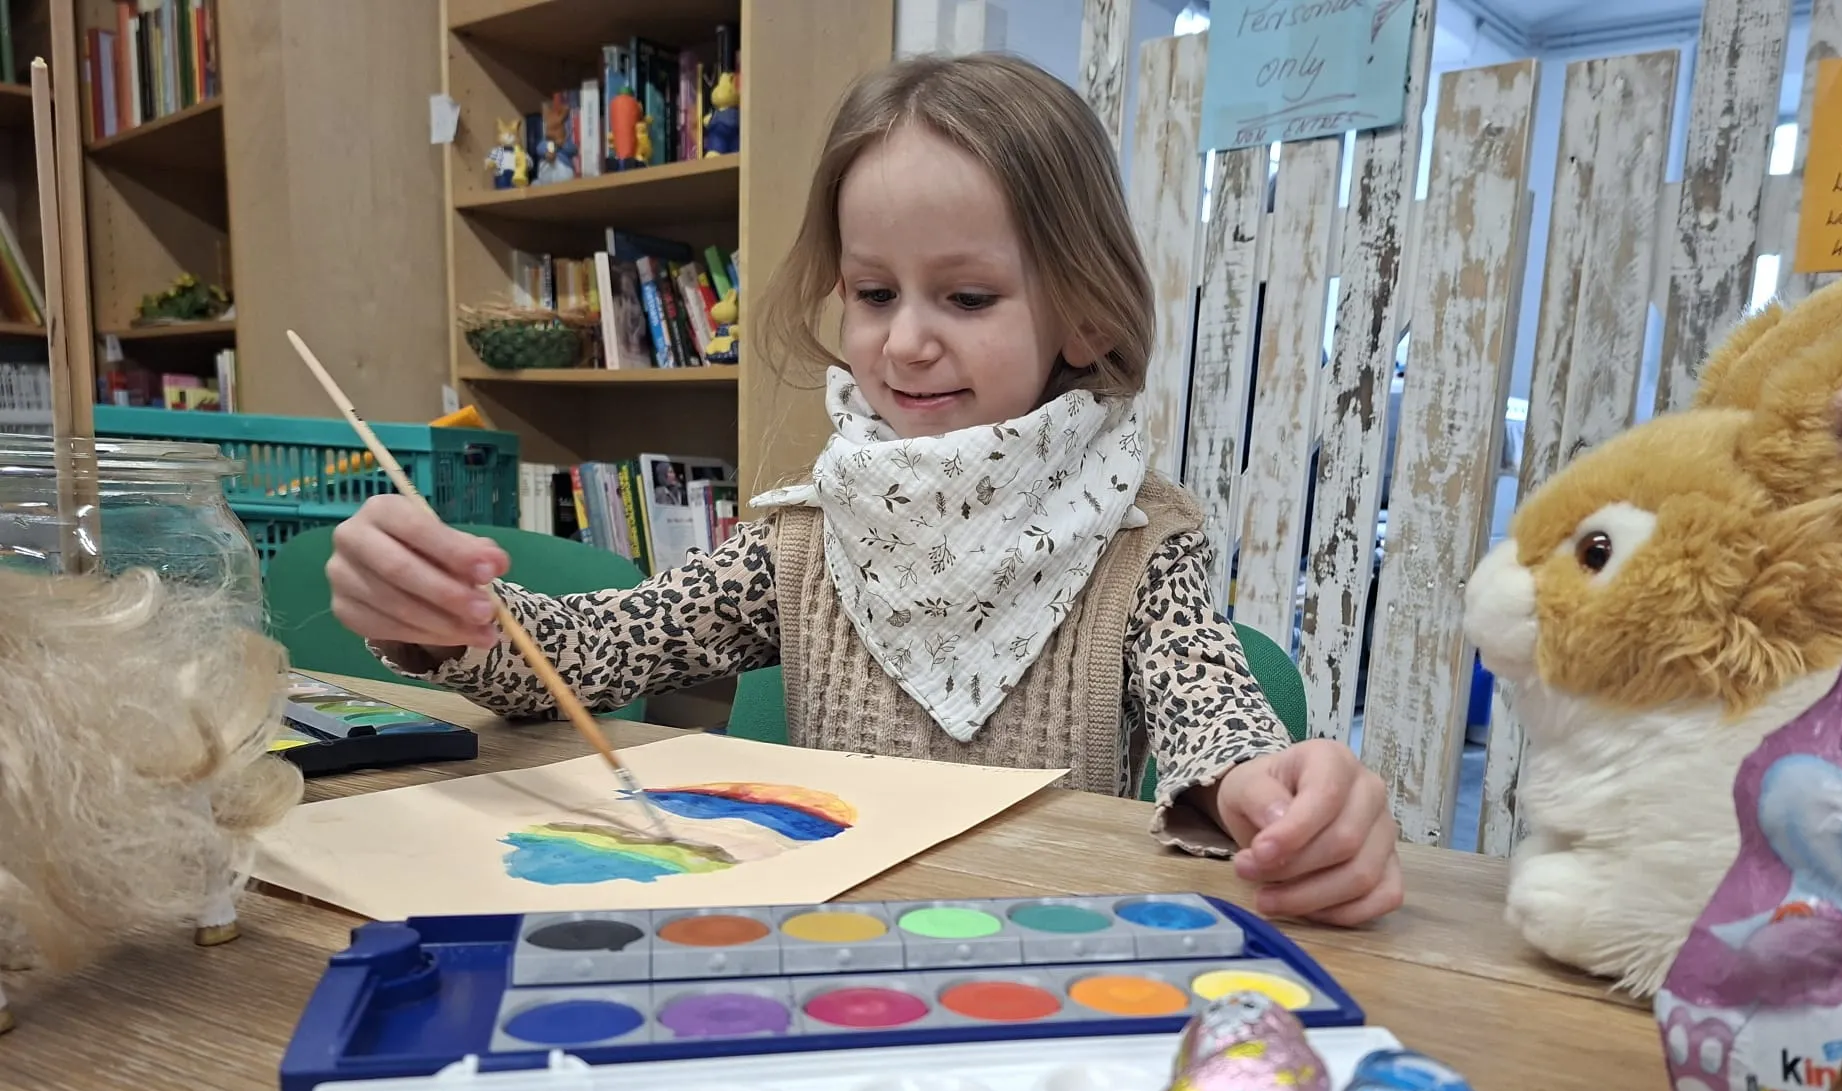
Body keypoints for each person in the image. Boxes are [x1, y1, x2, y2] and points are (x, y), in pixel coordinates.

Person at [325, 53, 1401, 927]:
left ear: (1088, 318)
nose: (908, 341)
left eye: (967, 295)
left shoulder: (1136, 544)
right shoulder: (803, 534)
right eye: (874, 293)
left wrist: (1274, 795)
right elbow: (605, 650)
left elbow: (1214, 721)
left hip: (1028, 962)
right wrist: (451, 622)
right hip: (814, 951)